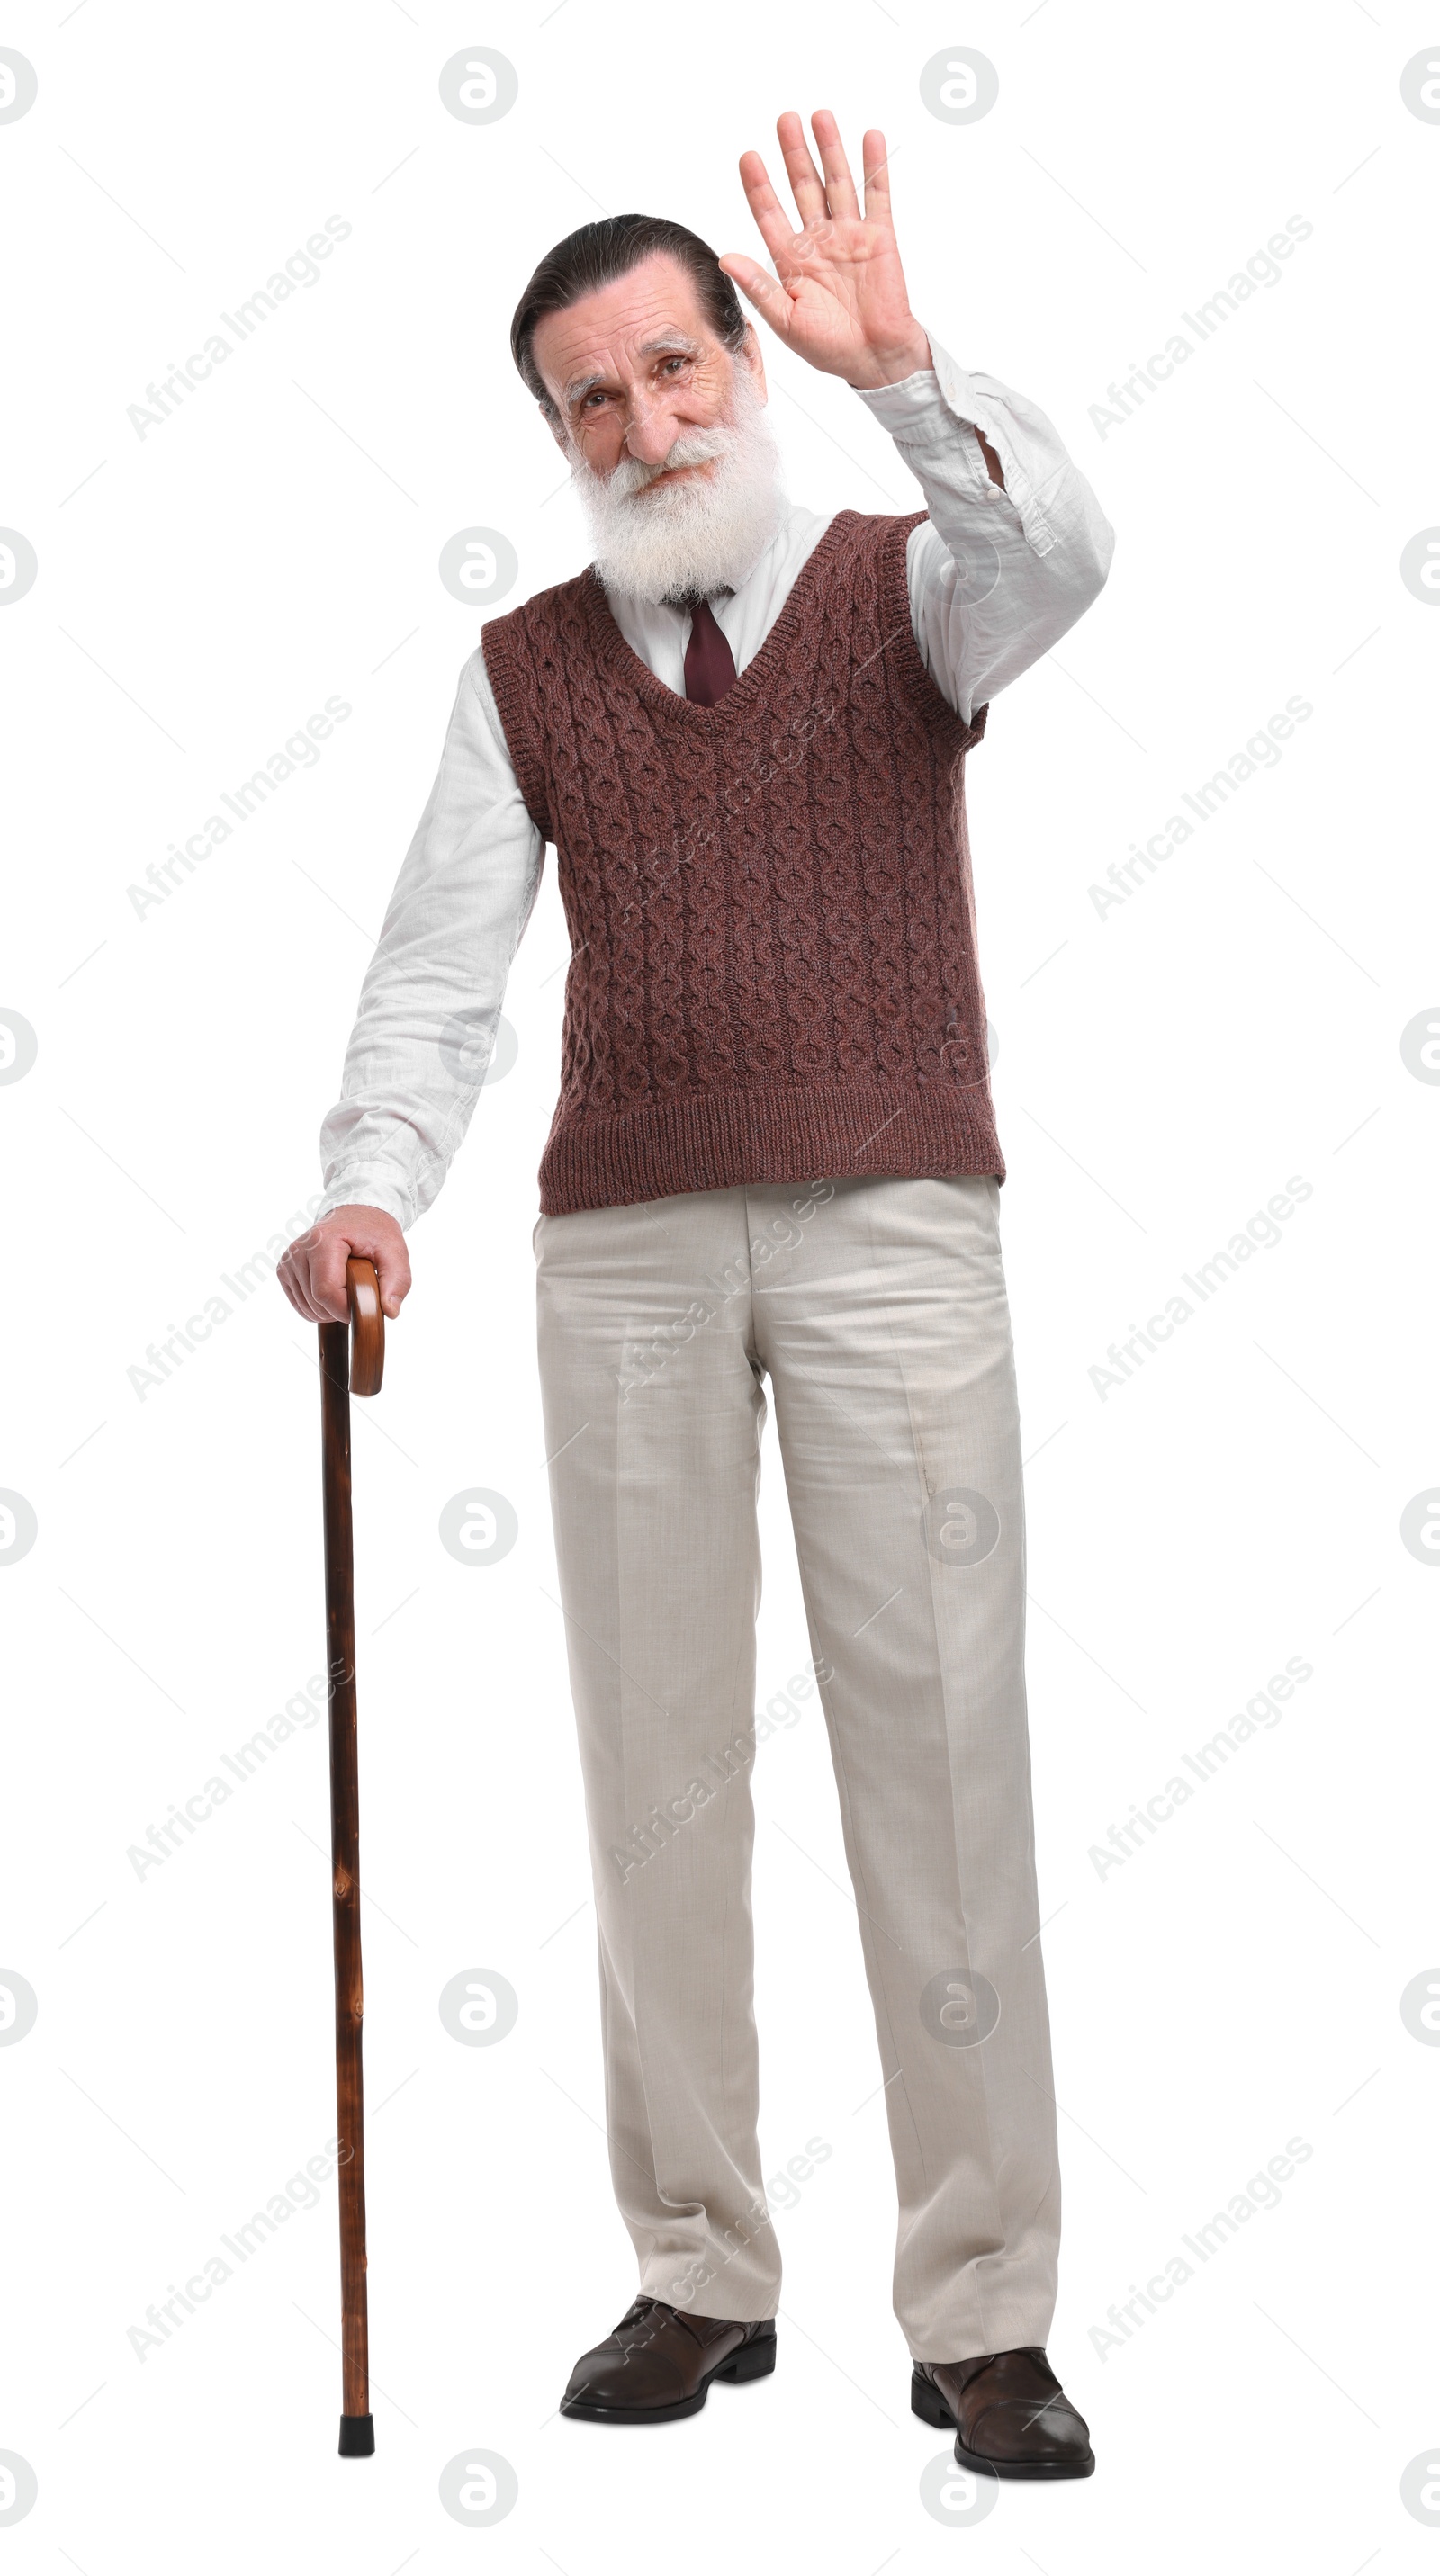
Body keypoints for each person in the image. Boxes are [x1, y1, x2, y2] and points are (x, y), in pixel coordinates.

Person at [279, 109, 1112, 2479]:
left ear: (747, 357)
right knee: (654, 1765)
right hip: (625, 1254)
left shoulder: (903, 583)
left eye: (677, 366)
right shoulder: (525, 671)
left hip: (893, 1235)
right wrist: (369, 1188)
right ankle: (698, 2271)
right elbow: (440, 979)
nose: (649, 424)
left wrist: (909, 368)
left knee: (937, 1753)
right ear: (560, 441)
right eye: (595, 400)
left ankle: (983, 2313)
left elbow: (1063, 558)